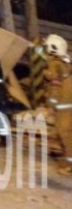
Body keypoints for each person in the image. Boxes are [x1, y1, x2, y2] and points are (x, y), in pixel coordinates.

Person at [44, 34, 72, 175]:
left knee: (64, 132)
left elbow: (55, 86)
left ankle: (69, 164)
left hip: (63, 103)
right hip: (68, 101)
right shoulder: (64, 62)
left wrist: (51, 104)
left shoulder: (54, 64)